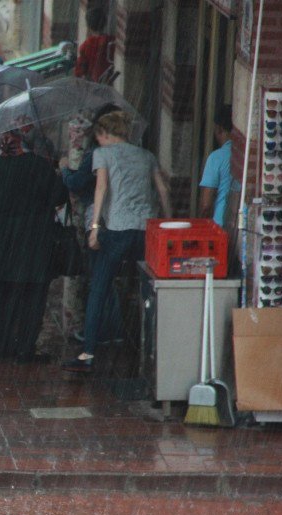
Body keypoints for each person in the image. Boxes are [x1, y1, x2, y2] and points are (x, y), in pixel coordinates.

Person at [62, 111, 171, 373]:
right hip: (147, 230)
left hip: (116, 229)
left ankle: (88, 353)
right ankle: (156, 352)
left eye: (99, 137)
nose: (98, 142)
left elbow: (100, 189)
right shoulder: (147, 156)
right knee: (151, 289)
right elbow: (163, 190)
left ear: (105, 134)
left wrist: (95, 227)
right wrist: (168, 223)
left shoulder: (102, 155)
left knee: (99, 288)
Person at [0, 129, 68, 363]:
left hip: (2, 237)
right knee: (33, 293)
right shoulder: (40, 166)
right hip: (35, 237)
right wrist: (56, 171)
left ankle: (3, 345)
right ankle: (25, 347)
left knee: (3, 291)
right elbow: (59, 198)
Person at [59, 103, 124, 343]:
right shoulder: (127, 153)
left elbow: (77, 183)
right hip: (121, 219)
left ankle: (102, 331)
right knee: (108, 276)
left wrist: (64, 170)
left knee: (100, 277)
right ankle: (110, 328)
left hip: (100, 221)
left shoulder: (97, 155)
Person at [198, 104, 235, 226]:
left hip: (220, 227)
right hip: (241, 225)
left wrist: (202, 228)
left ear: (219, 129)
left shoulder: (216, 157)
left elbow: (206, 205)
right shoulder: (245, 157)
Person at [74, 7, 114, 83]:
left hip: (94, 84)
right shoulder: (111, 41)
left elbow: (79, 71)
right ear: (105, 23)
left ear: (88, 26)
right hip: (109, 82)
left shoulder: (86, 45)